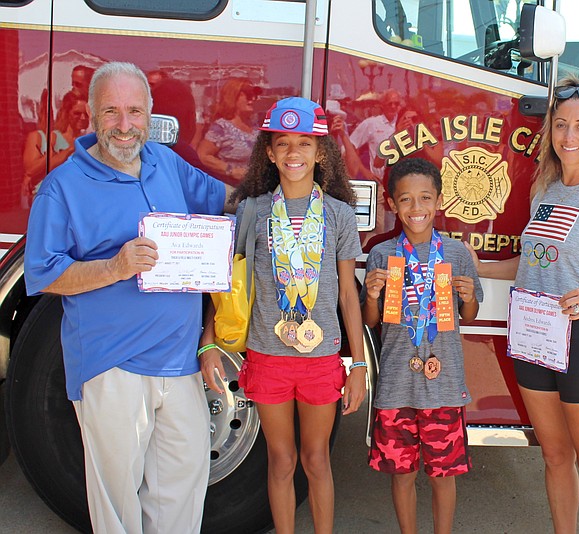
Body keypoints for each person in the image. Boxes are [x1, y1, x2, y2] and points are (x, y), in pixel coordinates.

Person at [23, 62, 231, 533]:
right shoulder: (62, 188)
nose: (124, 125)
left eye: (134, 111)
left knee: (183, 485)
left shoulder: (165, 162)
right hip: (110, 363)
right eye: (111, 111)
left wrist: (293, 199)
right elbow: (46, 275)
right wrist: (115, 267)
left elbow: (226, 201)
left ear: (149, 114)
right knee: (116, 502)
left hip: (180, 362)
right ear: (92, 115)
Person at [470, 75, 579, 533]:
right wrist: (472, 263)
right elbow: (529, 265)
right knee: (555, 456)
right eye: (561, 125)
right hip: (534, 339)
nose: (570, 136)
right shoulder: (544, 189)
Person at [200, 97, 367, 534]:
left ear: (321, 153)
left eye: (304, 144)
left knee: (316, 460)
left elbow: (348, 295)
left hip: (320, 360)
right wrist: (209, 342)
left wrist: (360, 366)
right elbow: (227, 288)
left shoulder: (339, 215)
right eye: (283, 144)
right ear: (269, 153)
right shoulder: (252, 211)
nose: (294, 153)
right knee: (281, 460)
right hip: (267, 356)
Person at [361, 157, 482, 534]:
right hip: (397, 385)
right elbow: (371, 321)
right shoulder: (383, 255)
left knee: (443, 476)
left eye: (425, 198)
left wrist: (466, 298)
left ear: (439, 201)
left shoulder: (458, 254)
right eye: (407, 200)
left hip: (444, 387)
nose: (417, 209)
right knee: (402, 475)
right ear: (392, 204)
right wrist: (371, 294)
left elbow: (472, 315)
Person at [198, 77, 260, 183]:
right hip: (231, 191)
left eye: (255, 95)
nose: (253, 99)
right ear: (233, 96)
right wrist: (231, 170)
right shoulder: (221, 127)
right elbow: (202, 156)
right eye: (248, 95)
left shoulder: (255, 127)